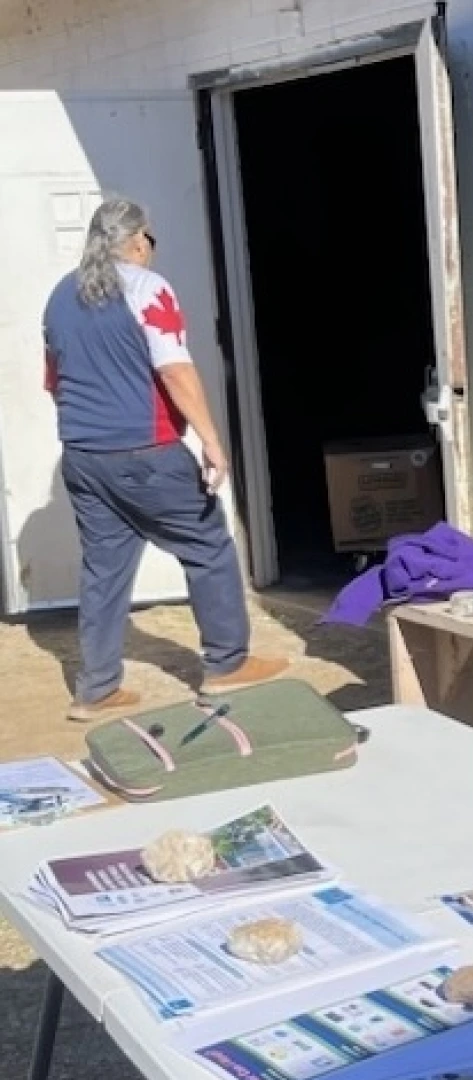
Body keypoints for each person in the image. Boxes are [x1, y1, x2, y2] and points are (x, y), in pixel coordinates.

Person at [43, 197, 287, 721]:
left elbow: (54, 383)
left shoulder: (60, 296)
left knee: (104, 568)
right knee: (208, 545)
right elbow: (175, 372)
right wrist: (212, 441)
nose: (152, 249)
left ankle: (96, 688)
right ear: (135, 242)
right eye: (150, 240)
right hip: (145, 450)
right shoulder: (147, 289)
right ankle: (227, 664)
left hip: (84, 455)